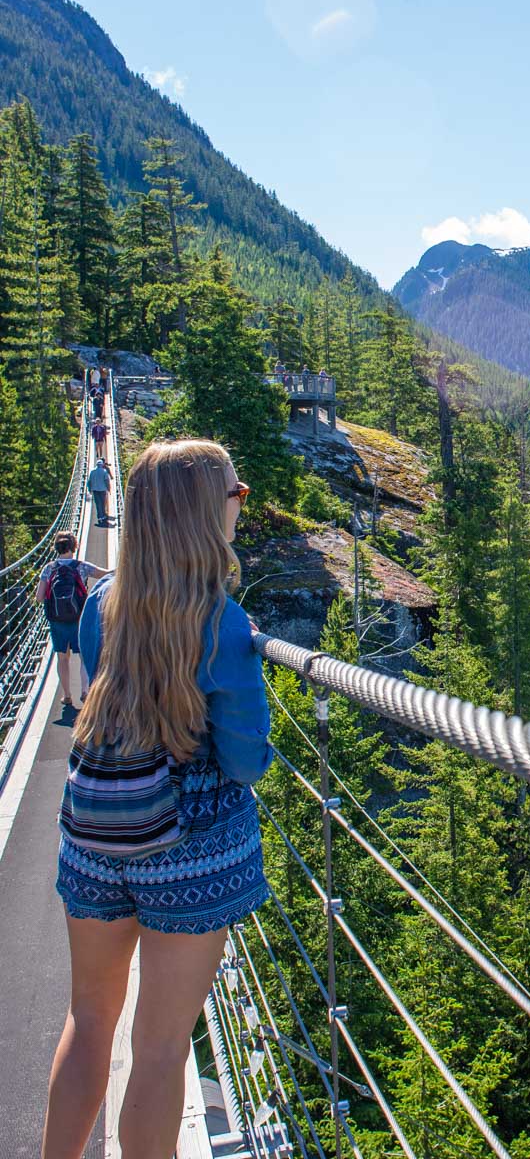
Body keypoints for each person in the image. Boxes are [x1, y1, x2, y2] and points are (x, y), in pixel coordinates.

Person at [42, 439, 270, 1159]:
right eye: (237, 494)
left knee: (88, 1021)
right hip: (189, 853)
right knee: (162, 1045)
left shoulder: (104, 602)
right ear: (208, 511)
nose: (242, 506)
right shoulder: (225, 625)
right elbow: (242, 761)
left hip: (94, 838)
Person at [35, 533, 110, 708]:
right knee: (83, 655)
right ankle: (85, 691)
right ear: (74, 546)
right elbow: (105, 574)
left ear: (57, 547)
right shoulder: (81, 567)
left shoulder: (49, 569)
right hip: (79, 617)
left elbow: (39, 598)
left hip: (57, 620)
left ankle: (67, 695)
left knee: (62, 658)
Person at [87, 459, 112, 527]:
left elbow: (89, 481)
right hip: (102, 490)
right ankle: (103, 516)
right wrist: (109, 489)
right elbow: (107, 481)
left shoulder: (92, 472)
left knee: (98, 503)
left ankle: (100, 517)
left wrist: (89, 489)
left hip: (95, 490)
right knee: (103, 503)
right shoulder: (104, 471)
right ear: (102, 465)